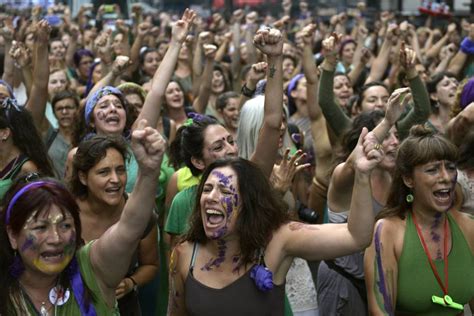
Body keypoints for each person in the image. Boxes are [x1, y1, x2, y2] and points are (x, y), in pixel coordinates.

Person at [167, 120, 382, 315]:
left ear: (247, 203)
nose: (211, 198)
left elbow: (356, 237)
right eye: (207, 189)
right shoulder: (184, 254)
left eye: (224, 190)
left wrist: (362, 176)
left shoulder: (277, 240)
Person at [0, 120, 166, 315]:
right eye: (40, 227)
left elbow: (130, 227)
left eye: (65, 225)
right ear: (12, 235)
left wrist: (148, 173)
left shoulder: (93, 271)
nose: (56, 238)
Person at [364, 125, 474, 315]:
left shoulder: (468, 226)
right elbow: (380, 312)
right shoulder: (387, 232)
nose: (446, 177)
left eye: (450, 167)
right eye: (432, 170)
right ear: (408, 180)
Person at [69, 135, 159, 315]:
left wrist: (130, 283)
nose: (116, 179)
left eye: (120, 170)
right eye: (104, 172)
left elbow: (151, 265)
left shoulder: (141, 214)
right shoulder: (65, 213)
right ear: (83, 177)